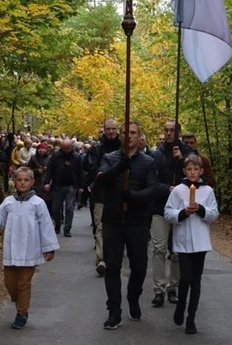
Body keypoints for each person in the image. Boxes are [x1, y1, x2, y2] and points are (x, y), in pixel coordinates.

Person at [96, 121, 158, 330]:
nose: (128, 136)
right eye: (125, 132)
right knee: (112, 267)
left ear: (139, 135)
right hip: (113, 219)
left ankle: (133, 296)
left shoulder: (148, 162)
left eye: (132, 132)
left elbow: (152, 190)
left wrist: (133, 196)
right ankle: (114, 311)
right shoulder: (109, 158)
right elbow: (100, 180)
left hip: (137, 221)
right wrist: (119, 167)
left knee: (139, 266)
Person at [0, 166, 59, 330]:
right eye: (19, 180)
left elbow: (46, 226)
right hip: (11, 249)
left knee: (23, 283)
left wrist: (49, 248)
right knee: (10, 284)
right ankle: (20, 301)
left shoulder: (38, 203)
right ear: (14, 182)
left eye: (26, 180)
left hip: (30, 249)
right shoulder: (9, 202)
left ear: (32, 182)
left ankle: (22, 313)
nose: (22, 183)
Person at [164, 154, 219, 334]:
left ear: (201, 171)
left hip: (201, 242)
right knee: (185, 277)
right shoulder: (178, 190)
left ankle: (191, 318)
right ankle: (181, 305)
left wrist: (201, 210)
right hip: (184, 240)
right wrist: (183, 213)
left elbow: (214, 214)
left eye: (196, 169)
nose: (193, 172)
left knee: (196, 281)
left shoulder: (207, 191)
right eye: (189, 169)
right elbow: (168, 213)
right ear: (184, 171)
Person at [150, 120, 194, 307]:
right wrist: (167, 188)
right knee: (159, 248)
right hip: (160, 208)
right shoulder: (156, 154)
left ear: (178, 132)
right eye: (166, 130)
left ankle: (172, 287)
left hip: (181, 211)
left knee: (176, 252)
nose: (168, 133)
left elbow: (196, 176)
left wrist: (181, 159)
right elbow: (151, 182)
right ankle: (158, 290)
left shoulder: (188, 153)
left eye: (172, 131)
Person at [82, 118, 121, 276]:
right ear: (104, 130)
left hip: (119, 193)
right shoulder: (96, 148)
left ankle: (114, 256)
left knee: (117, 227)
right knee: (100, 227)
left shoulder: (123, 146)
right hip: (101, 193)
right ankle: (101, 260)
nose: (111, 132)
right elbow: (89, 166)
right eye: (108, 129)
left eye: (113, 129)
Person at [43, 138, 84, 237]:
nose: (66, 150)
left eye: (68, 148)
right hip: (57, 185)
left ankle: (67, 228)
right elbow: (49, 170)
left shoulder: (76, 157)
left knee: (69, 208)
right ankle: (57, 224)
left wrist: (81, 186)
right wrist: (47, 182)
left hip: (71, 186)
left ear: (71, 147)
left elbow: (80, 173)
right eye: (64, 148)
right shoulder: (56, 156)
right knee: (56, 208)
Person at [28, 142, 52, 214]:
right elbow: (29, 170)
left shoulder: (49, 158)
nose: (41, 150)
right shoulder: (33, 158)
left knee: (47, 200)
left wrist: (46, 169)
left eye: (43, 149)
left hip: (46, 182)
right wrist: (37, 170)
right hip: (36, 182)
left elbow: (52, 169)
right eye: (39, 148)